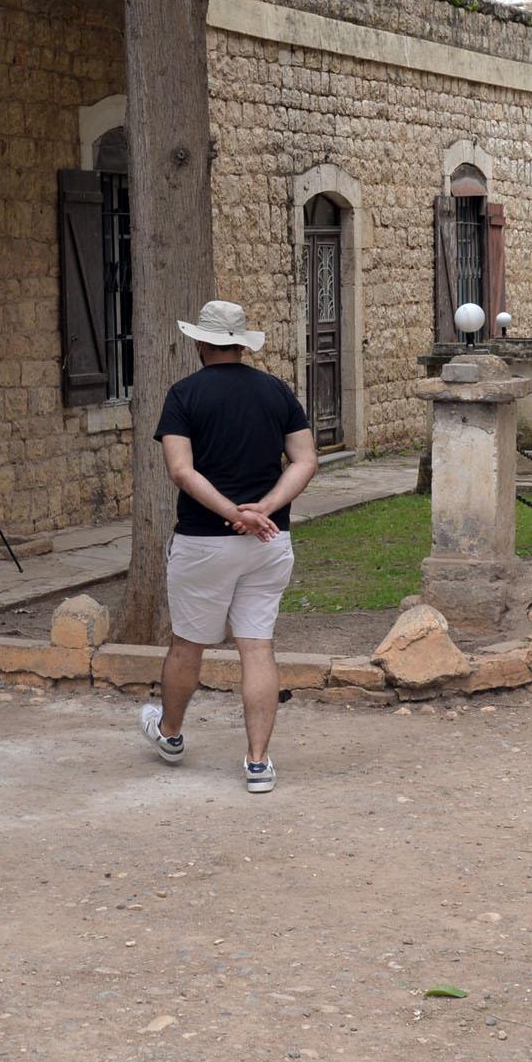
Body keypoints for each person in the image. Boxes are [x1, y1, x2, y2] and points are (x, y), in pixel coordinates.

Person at [139, 300, 318, 793]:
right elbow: (304, 461)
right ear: (242, 344)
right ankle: (258, 762)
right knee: (257, 647)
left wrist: (231, 512)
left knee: (188, 644)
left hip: (203, 542)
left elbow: (181, 469)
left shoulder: (184, 394)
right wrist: (263, 509)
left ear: (200, 342)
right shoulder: (276, 391)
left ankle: (170, 733)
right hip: (268, 539)